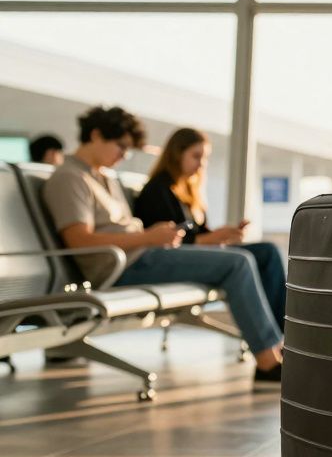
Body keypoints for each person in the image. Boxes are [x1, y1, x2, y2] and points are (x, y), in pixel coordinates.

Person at [41, 106, 284, 383]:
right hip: (123, 266)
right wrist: (148, 237)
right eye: (120, 146)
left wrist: (154, 237)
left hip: (144, 254)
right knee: (238, 263)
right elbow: (80, 241)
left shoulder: (102, 177)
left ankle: (276, 350)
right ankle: (267, 363)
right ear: (95, 135)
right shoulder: (70, 178)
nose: (124, 155)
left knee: (253, 256)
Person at [133, 127, 286, 330]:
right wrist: (212, 239)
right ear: (177, 154)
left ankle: (281, 330)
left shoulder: (189, 191)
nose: (201, 164)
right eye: (196, 156)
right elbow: (168, 243)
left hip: (198, 252)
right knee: (253, 258)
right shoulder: (158, 190)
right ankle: (278, 335)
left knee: (268, 251)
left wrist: (224, 235)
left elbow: (201, 234)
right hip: (174, 258)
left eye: (205, 158)